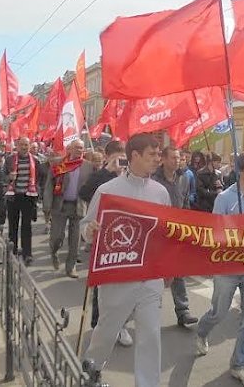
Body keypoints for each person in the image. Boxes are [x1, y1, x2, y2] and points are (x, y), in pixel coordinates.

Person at [81, 133, 170, 387]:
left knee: (150, 335)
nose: (157, 159)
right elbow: (86, 226)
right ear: (134, 156)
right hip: (117, 277)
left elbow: (165, 232)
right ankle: (93, 369)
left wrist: (168, 268)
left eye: (158, 154)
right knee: (107, 331)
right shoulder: (107, 190)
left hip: (150, 277)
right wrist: (90, 231)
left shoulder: (161, 192)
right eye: (152, 154)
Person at [196, 151, 244, 387]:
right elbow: (214, 231)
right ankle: (202, 331)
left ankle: (239, 365)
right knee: (219, 311)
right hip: (227, 265)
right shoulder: (225, 198)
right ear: (240, 171)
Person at [78, 140, 131, 346]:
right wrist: (108, 171)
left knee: (125, 284)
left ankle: (120, 324)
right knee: (103, 282)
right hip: (103, 235)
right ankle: (98, 324)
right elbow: (84, 194)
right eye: (117, 156)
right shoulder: (100, 176)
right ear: (108, 156)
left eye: (124, 156)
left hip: (126, 234)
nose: (121, 161)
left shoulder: (130, 176)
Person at [153, 146, 198, 326]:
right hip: (158, 231)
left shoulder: (184, 178)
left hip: (177, 230)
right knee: (155, 272)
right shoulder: (154, 179)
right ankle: (150, 309)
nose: (177, 161)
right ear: (163, 159)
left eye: (178, 158)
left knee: (178, 270)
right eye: (173, 157)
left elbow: (185, 202)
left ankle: (183, 311)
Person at [43, 139, 93, 278]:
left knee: (75, 238)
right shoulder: (59, 163)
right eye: (76, 147)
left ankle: (71, 267)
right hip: (60, 205)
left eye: (81, 148)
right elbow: (49, 185)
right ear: (69, 149)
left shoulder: (88, 166)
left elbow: (92, 186)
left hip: (78, 206)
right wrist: (47, 204)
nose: (79, 150)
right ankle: (54, 252)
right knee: (56, 236)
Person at [4, 137, 41, 266]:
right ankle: (12, 252)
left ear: (29, 146)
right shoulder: (10, 160)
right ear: (17, 146)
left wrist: (37, 193)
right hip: (13, 197)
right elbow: (3, 176)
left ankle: (27, 254)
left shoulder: (35, 161)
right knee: (13, 226)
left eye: (26, 144)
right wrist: (9, 177)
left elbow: (38, 179)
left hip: (28, 197)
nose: (24, 147)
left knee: (27, 227)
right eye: (22, 145)